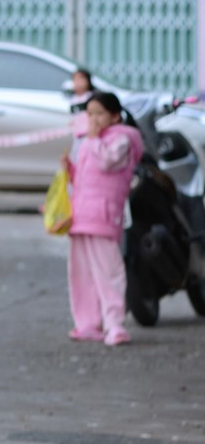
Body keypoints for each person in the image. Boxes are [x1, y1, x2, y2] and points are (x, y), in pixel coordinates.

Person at [67, 89, 143, 346]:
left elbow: (107, 163)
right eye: (90, 114)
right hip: (81, 215)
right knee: (82, 272)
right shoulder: (91, 140)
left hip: (103, 215)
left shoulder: (122, 140)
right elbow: (83, 177)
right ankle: (88, 324)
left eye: (99, 113)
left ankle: (114, 325)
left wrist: (92, 139)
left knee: (109, 271)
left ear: (115, 116)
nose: (94, 119)